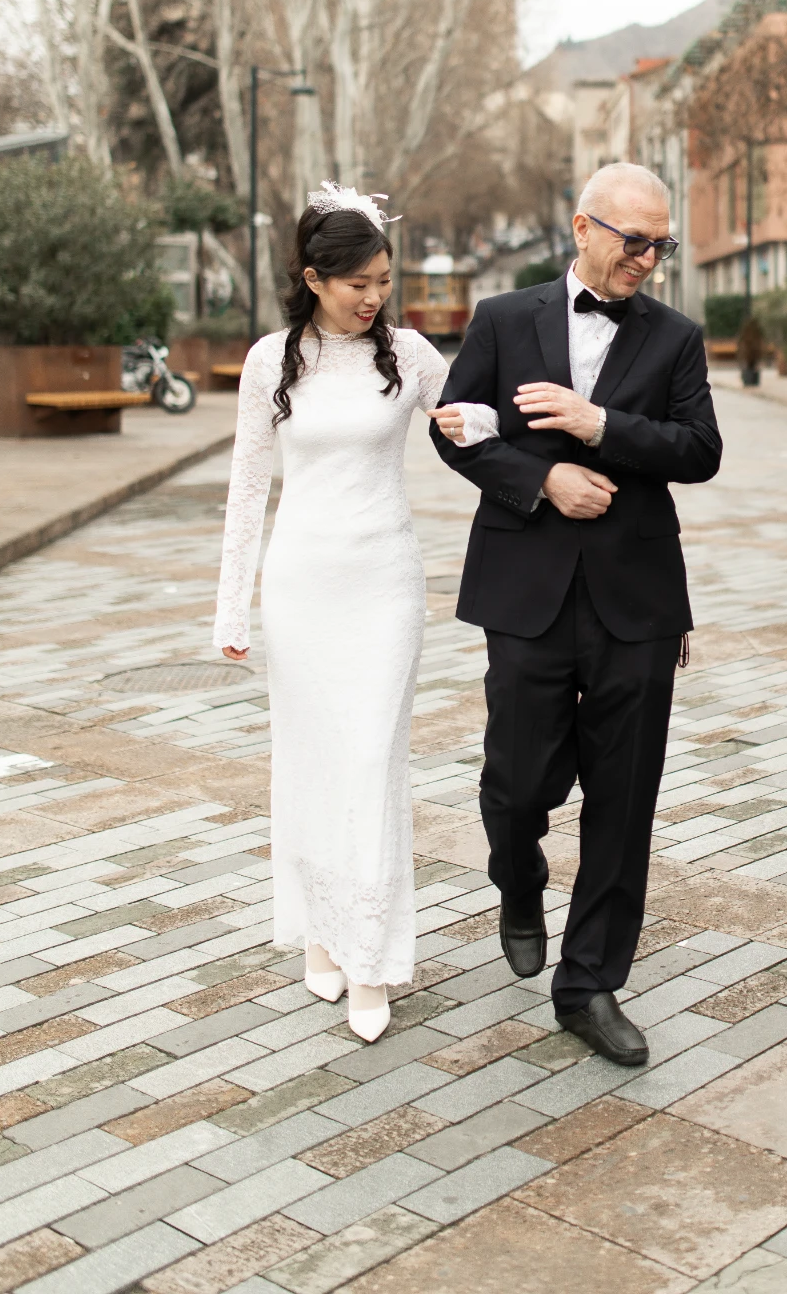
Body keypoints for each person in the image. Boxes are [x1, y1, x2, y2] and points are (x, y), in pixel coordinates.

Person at [431, 162, 722, 1065]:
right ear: (583, 227)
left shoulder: (676, 338)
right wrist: (544, 478)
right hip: (526, 592)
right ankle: (517, 878)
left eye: (661, 245)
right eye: (634, 240)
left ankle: (589, 984)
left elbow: (700, 451)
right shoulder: (501, 319)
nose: (647, 259)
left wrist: (598, 428)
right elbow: (456, 428)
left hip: (639, 599)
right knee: (517, 784)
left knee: (624, 800)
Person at [213, 184, 489, 1042]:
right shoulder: (271, 361)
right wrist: (231, 607)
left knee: (370, 762)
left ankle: (369, 957)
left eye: (383, 280)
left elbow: (474, 416)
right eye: (358, 283)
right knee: (310, 762)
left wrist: (474, 420)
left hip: (384, 585)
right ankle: (319, 932)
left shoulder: (407, 353)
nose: (375, 297)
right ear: (314, 279)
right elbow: (247, 486)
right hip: (301, 586)